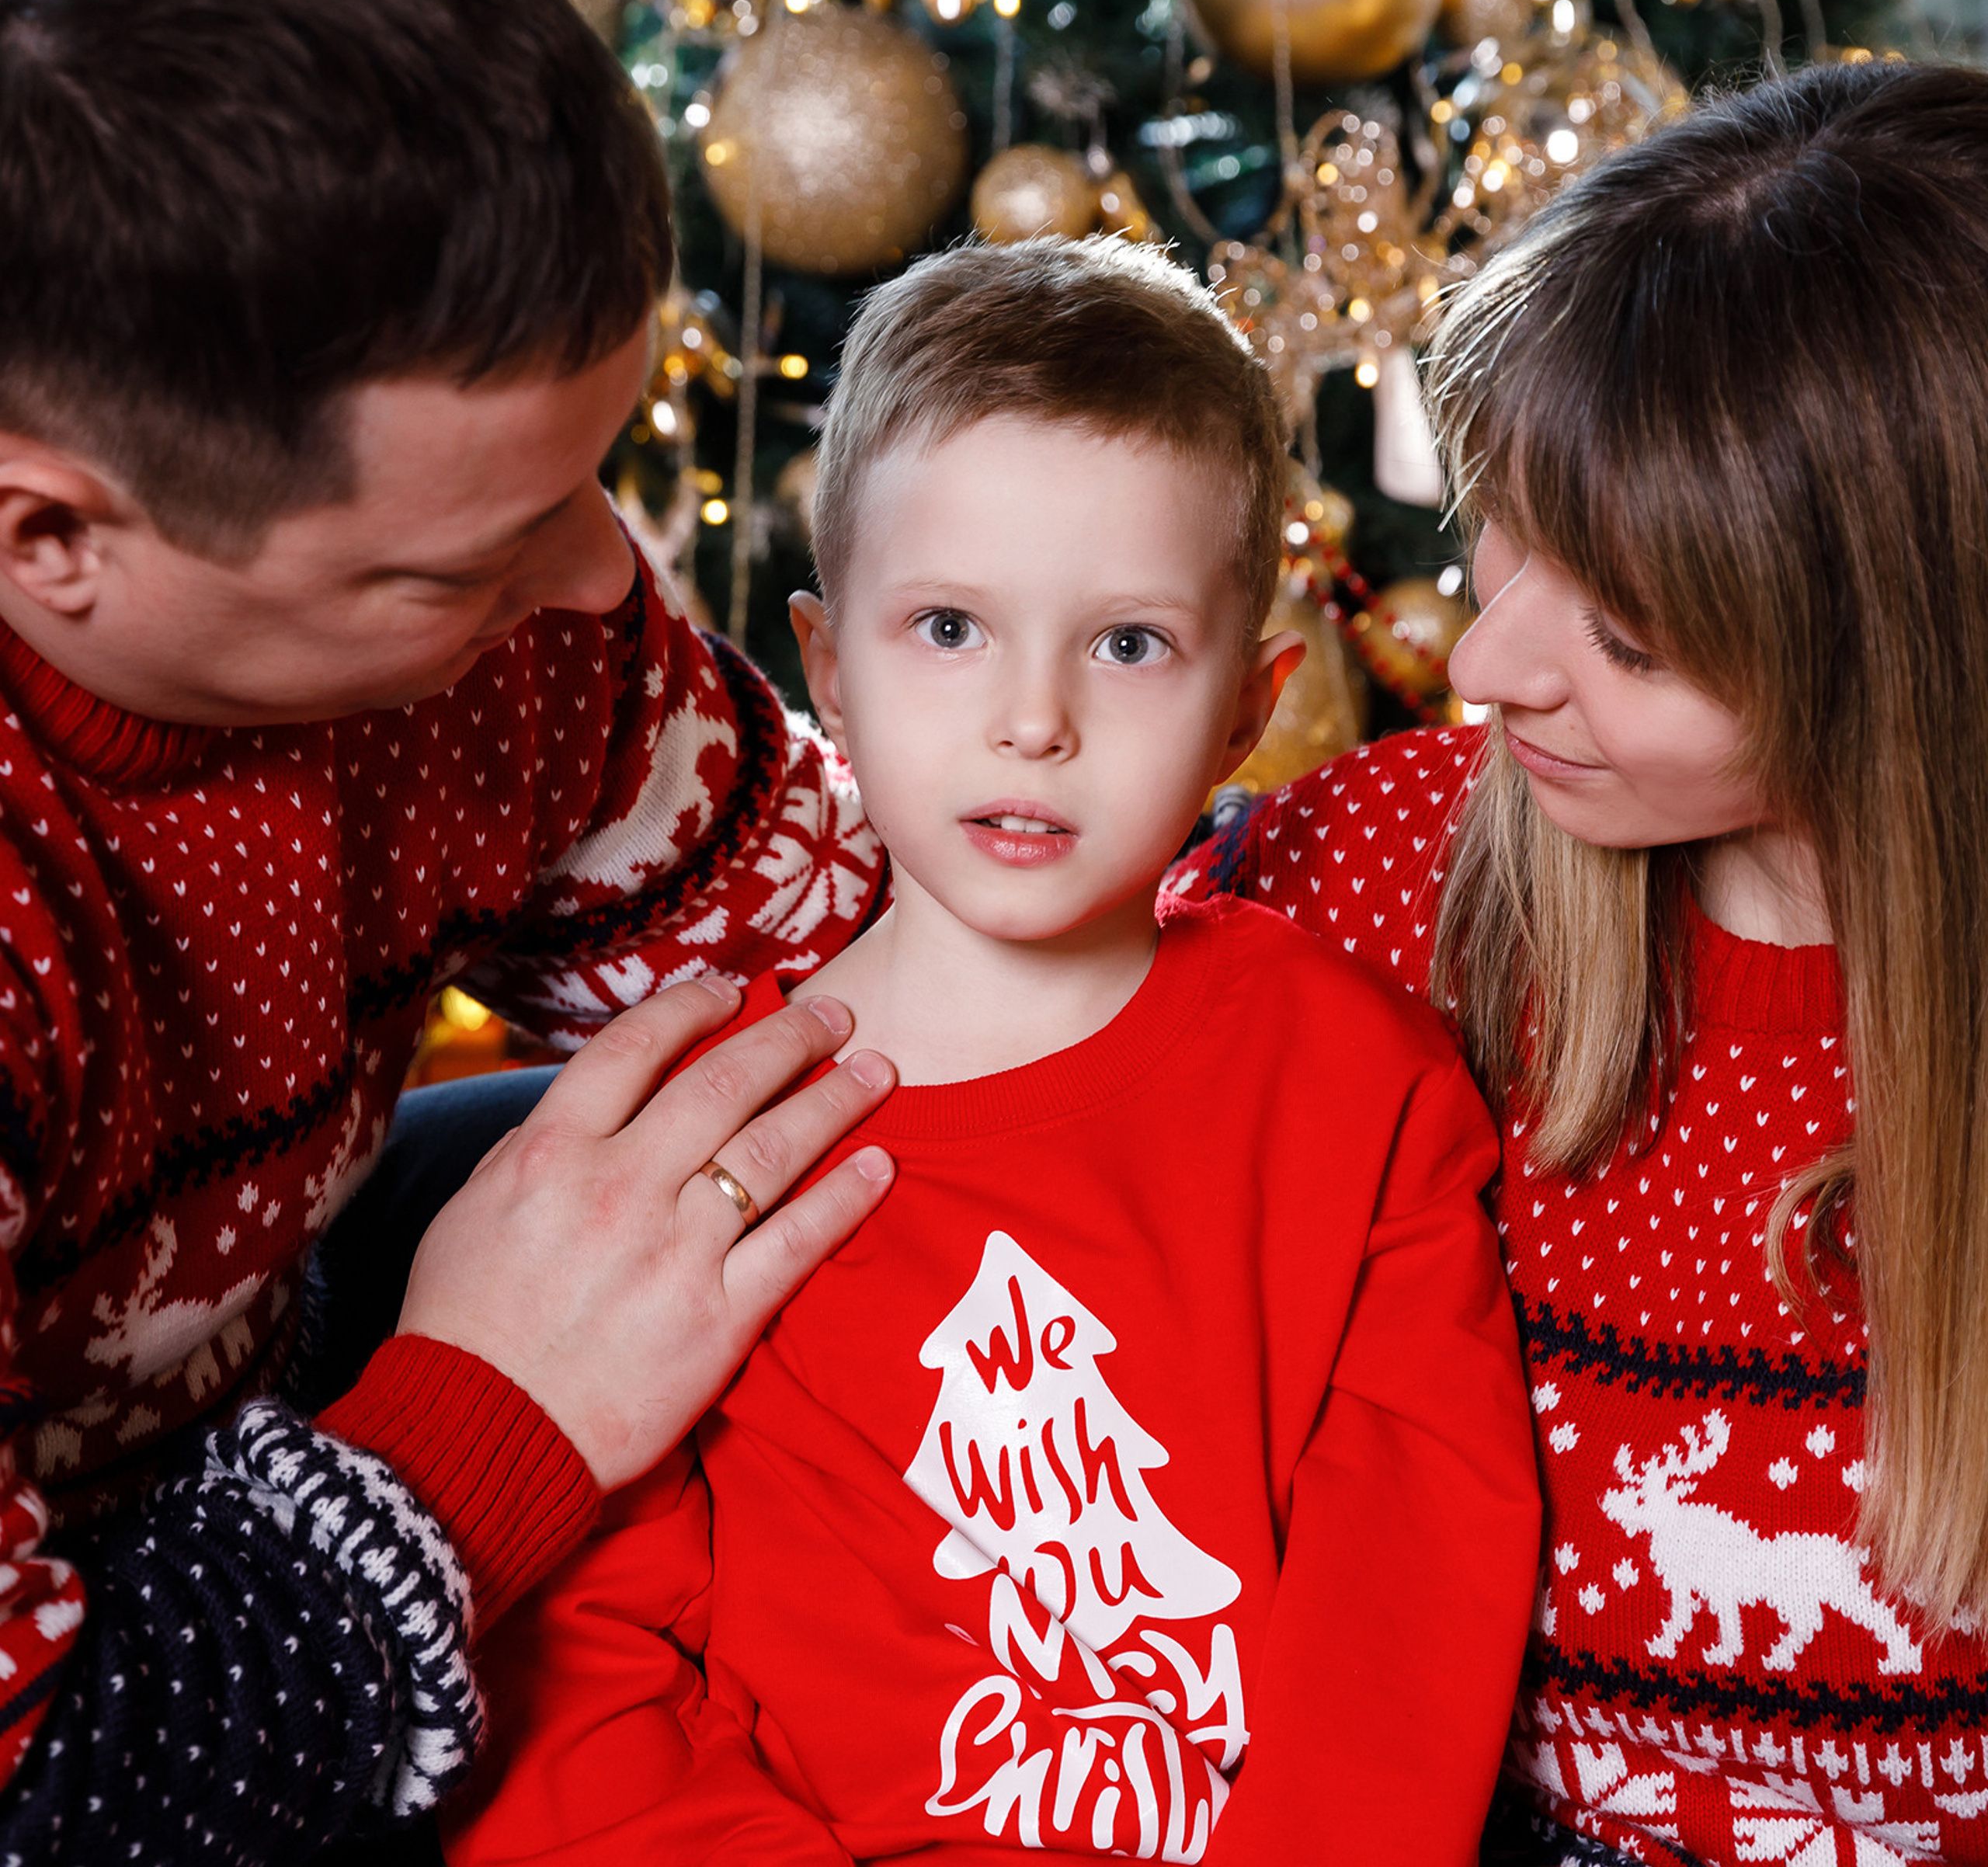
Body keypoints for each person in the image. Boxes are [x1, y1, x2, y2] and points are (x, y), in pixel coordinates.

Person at [442, 237, 1542, 1866]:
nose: (1033, 718)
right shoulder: (707, 1135)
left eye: (1124, 645)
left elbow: (1411, 1584)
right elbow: (581, 1680)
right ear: (825, 669)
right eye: (949, 627)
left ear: (1248, 708)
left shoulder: (1351, 1076)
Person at [0, 0, 902, 1858]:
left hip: (243, 1376)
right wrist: (492, 1418)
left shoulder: (518, 631)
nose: (603, 578)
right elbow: (53, 1803)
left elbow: (859, 941)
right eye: (447, 561)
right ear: (49, 534)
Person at [1170, 60, 1988, 1864]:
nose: (1481, 663)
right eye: (1501, 534)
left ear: (1907, 667)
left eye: (1619, 631)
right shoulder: (1365, 878)